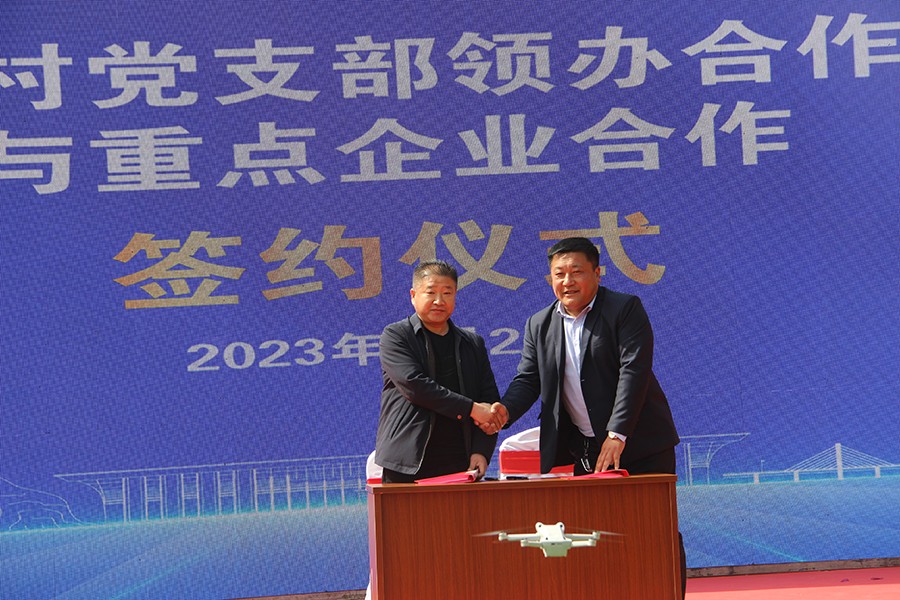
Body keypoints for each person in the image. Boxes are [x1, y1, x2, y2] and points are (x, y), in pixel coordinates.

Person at [483, 237, 686, 598]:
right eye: (559, 273)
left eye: (576, 271)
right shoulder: (539, 324)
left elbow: (634, 372)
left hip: (641, 444)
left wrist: (617, 433)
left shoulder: (624, 309)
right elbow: (528, 379)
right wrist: (504, 411)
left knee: (655, 531)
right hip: (587, 451)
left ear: (597, 273)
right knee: (596, 535)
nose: (568, 281)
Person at [374, 259, 500, 483]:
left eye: (447, 293)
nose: (439, 301)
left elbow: (488, 399)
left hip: (461, 461)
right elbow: (415, 386)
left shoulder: (472, 343)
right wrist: (471, 409)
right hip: (407, 461)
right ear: (413, 295)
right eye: (431, 292)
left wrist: (481, 450)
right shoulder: (396, 336)